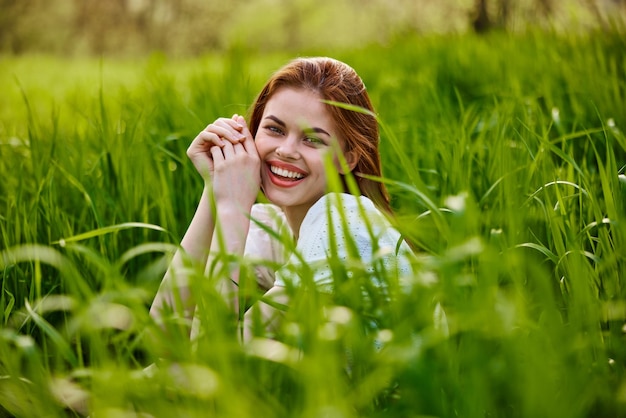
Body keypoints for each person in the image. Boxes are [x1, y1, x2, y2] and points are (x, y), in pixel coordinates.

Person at [150, 57, 414, 343]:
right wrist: (215, 188)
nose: (286, 150)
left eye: (312, 139)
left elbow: (216, 362)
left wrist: (233, 207)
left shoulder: (342, 227)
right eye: (275, 129)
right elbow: (163, 342)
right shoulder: (273, 227)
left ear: (346, 159)